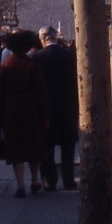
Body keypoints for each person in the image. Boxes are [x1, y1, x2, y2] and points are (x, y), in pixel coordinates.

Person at [0, 30, 49, 198]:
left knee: (16, 148)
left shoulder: (5, 66)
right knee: (34, 146)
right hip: (32, 108)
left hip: (11, 109)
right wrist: (45, 115)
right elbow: (42, 91)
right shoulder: (32, 65)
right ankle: (35, 180)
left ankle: (21, 184)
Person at [32, 26, 80, 191]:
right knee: (68, 147)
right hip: (68, 106)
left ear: (42, 38)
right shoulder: (71, 56)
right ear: (56, 38)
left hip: (45, 108)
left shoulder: (36, 58)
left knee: (47, 146)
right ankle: (68, 179)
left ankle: (49, 181)